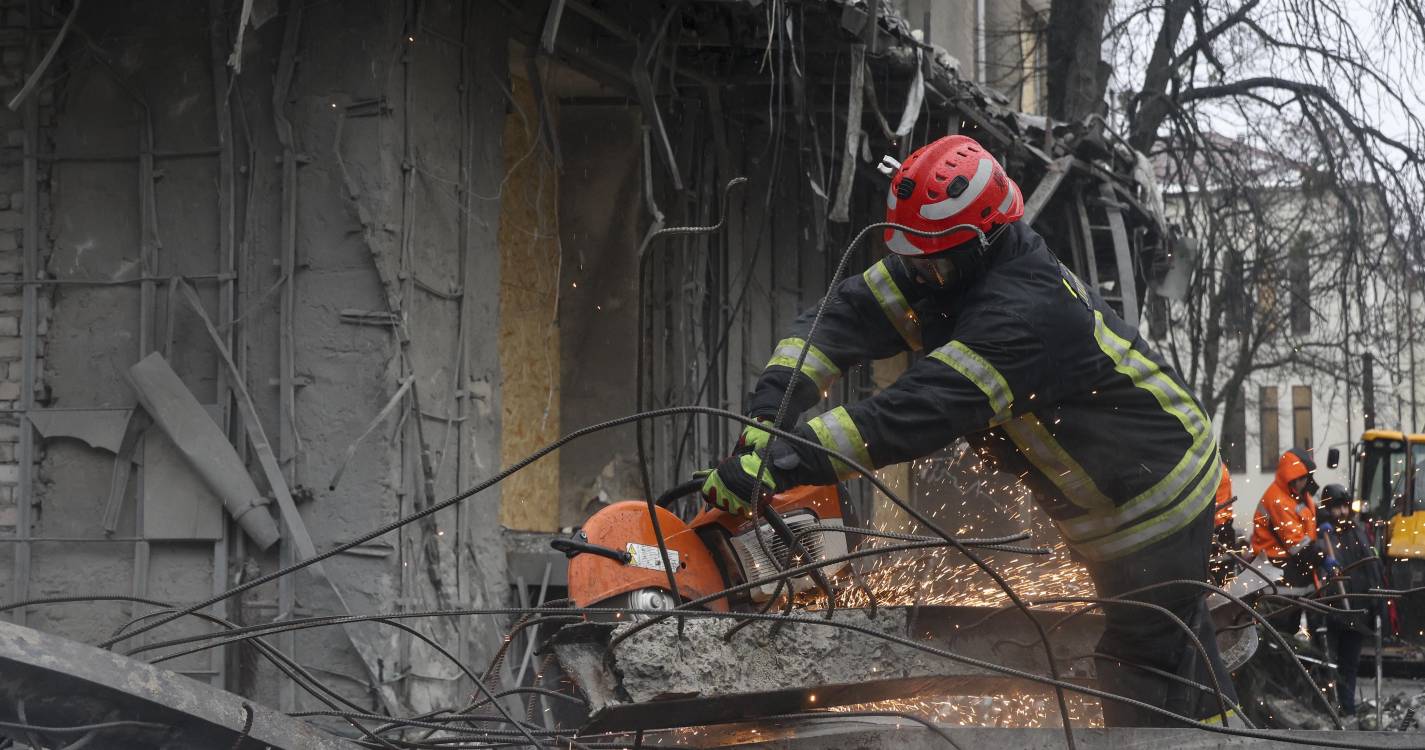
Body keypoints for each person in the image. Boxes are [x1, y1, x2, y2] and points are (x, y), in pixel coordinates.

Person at [700, 134, 1237, 727]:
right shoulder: (940, 261)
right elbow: (842, 318)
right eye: (913, 259)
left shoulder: (1023, 316)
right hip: (1122, 490)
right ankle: (1234, 736)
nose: (922, 274)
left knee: (1142, 661)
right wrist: (768, 415)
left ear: (986, 239)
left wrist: (787, 463)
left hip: (1154, 498)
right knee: (1185, 646)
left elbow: (918, 410)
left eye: (937, 261)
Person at [1315, 483, 1384, 719]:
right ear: (1327, 509)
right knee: (1328, 663)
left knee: (1350, 664)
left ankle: (1347, 708)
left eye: (1345, 507)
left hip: (1357, 608)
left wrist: (1376, 602)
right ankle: (1326, 708)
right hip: (1332, 611)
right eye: (1337, 508)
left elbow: (1371, 566)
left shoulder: (1358, 531)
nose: (1342, 512)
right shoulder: (1321, 533)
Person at [1250, 448, 1320, 587]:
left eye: (1305, 478)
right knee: (1304, 592)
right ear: (1290, 478)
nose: (1302, 482)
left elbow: (1308, 517)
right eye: (1299, 478)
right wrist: (1322, 559)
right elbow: (1297, 546)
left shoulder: (1298, 495)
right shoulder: (1278, 500)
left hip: (1290, 560)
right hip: (1274, 562)